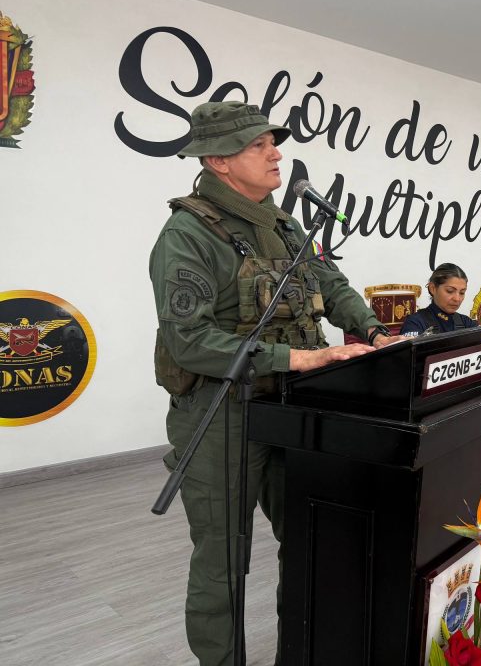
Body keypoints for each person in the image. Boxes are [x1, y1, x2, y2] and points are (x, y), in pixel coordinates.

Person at [150, 101, 404, 666]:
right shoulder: (187, 234)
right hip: (223, 414)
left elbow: (332, 283)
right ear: (217, 160)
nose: (276, 154)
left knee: (311, 540)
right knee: (223, 561)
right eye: (258, 145)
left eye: (273, 142)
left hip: (295, 409)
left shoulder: (286, 224)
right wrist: (300, 358)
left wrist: (372, 329)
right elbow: (191, 340)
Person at [400, 262, 481, 366]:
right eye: (450, 291)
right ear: (432, 288)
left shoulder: (466, 323)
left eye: (462, 292)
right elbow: (411, 363)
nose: (457, 299)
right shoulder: (415, 322)